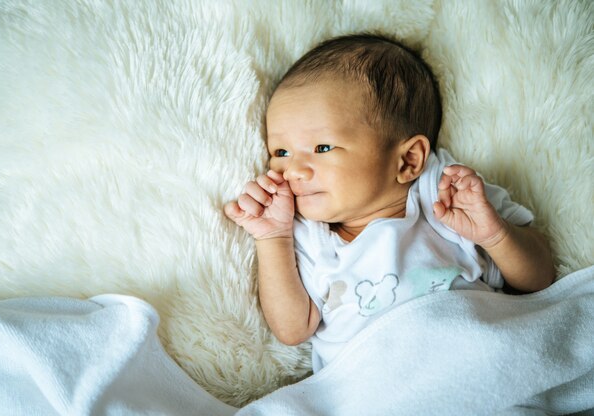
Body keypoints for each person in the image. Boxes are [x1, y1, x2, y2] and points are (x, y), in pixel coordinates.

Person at [223, 34, 554, 372]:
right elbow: (292, 329)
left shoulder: (445, 196)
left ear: (408, 160)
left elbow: (540, 277)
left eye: (322, 148)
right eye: (280, 152)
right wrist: (273, 238)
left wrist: (495, 236)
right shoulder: (306, 234)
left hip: (477, 360)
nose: (292, 169)